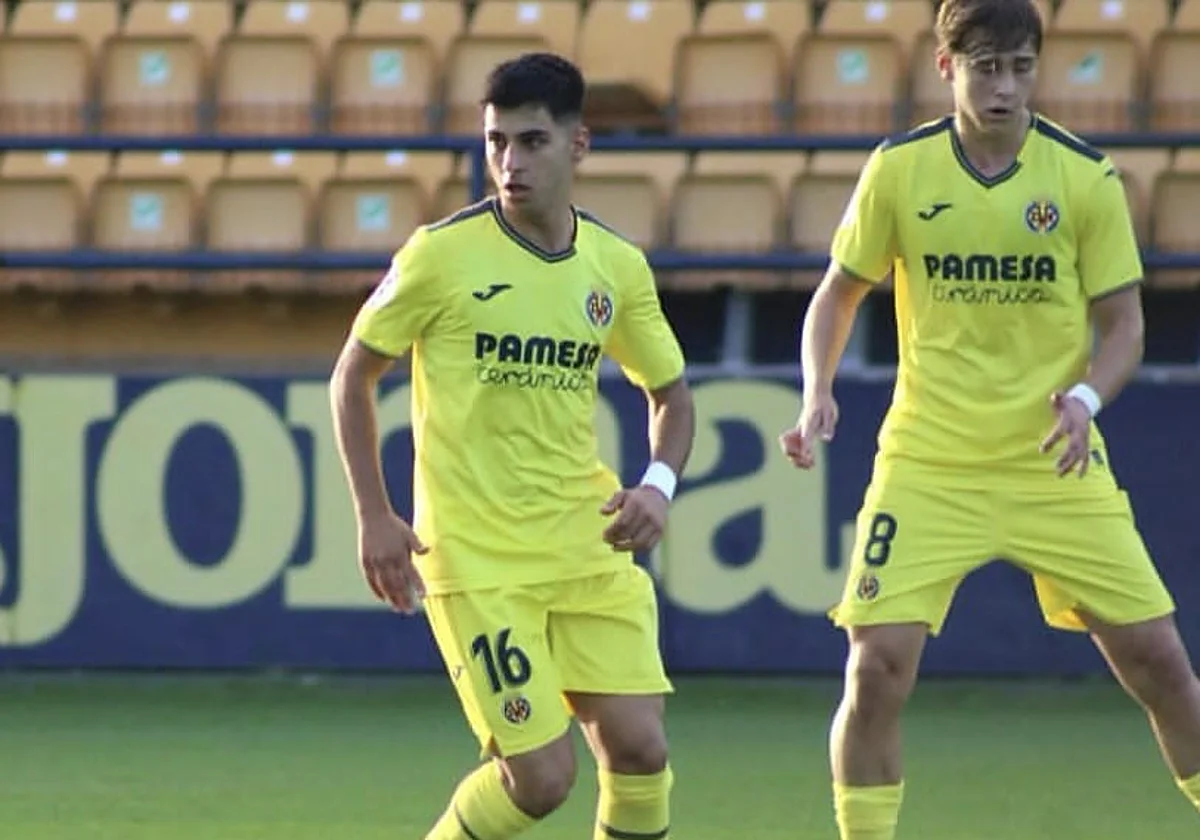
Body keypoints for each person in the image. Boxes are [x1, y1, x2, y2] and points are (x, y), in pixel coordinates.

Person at [778, 0, 1200, 837]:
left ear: (1037, 69)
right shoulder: (900, 170)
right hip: (929, 462)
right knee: (876, 670)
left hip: (1054, 458)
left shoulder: (1084, 177)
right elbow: (838, 293)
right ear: (947, 69)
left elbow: (1124, 326)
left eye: (1019, 67)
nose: (1004, 87)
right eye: (985, 68)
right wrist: (816, 389)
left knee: (1158, 663)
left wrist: (1084, 398)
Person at [329, 52, 694, 840]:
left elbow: (670, 396)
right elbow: (352, 374)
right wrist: (374, 513)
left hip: (585, 543)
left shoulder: (616, 267)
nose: (509, 163)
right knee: (542, 777)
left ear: (579, 146)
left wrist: (657, 484)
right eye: (496, 142)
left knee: (639, 748)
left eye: (530, 142)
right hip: (480, 558)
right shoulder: (441, 255)